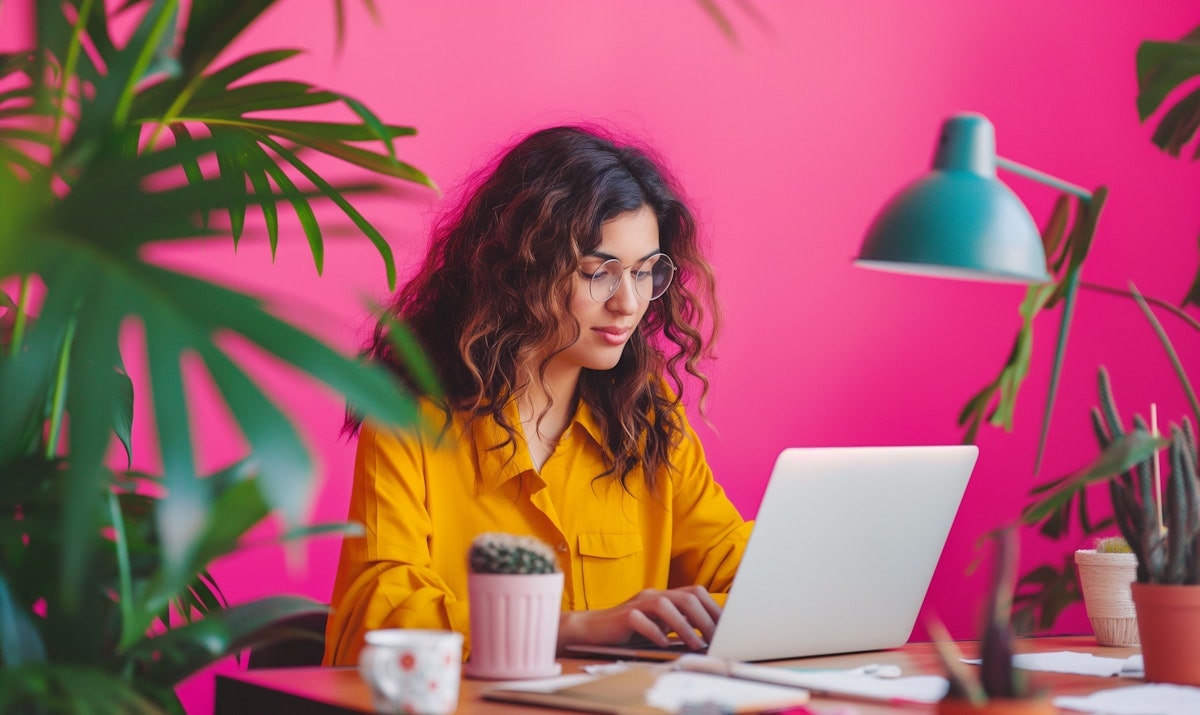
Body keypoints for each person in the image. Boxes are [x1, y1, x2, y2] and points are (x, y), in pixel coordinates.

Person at [322, 124, 752, 666]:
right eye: (599, 272)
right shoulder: (411, 417)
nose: (628, 303)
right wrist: (579, 628)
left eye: (646, 273)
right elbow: (379, 614)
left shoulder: (649, 422)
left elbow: (734, 567)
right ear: (521, 269)